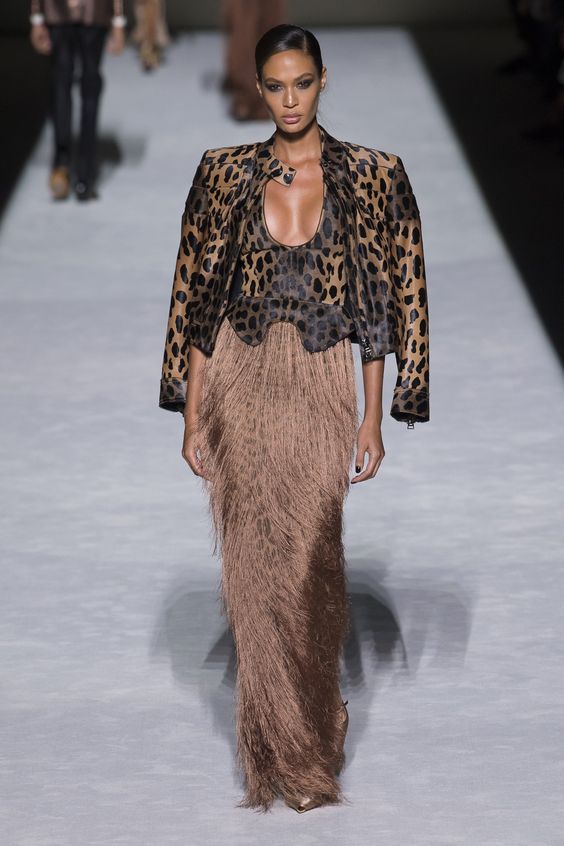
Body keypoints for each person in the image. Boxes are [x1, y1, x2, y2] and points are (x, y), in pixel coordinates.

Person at [159, 24, 430, 813]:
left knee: (310, 561)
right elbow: (198, 298)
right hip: (239, 378)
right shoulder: (223, 174)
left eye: (301, 83)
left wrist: (373, 418)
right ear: (259, 87)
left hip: (319, 383)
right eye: (275, 86)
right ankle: (286, 758)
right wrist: (192, 413)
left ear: (322, 79)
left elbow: (379, 306)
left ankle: (315, 715)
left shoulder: (370, 176)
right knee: (252, 570)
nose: (288, 100)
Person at [29, 0, 126, 201]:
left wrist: (37, 16)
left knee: (71, 84)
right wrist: (37, 16)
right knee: (71, 85)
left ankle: (68, 167)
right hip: (75, 10)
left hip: (79, 10)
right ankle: (79, 174)